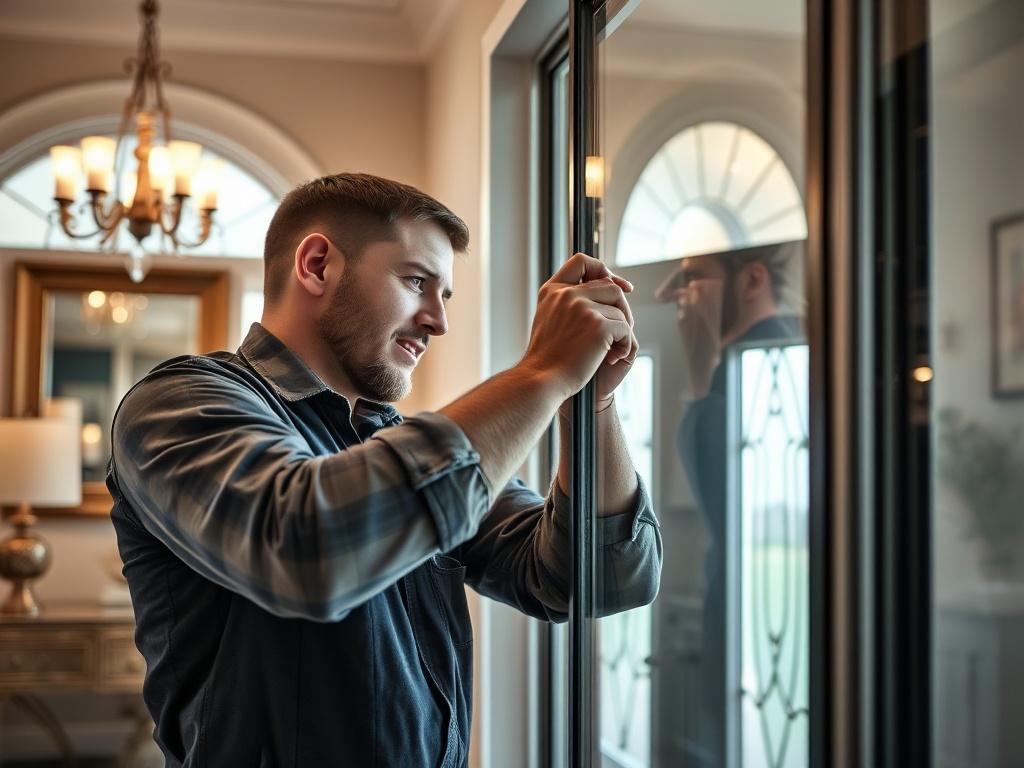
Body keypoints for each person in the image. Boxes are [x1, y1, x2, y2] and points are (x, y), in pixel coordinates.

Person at [107, 173, 662, 767]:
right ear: (317, 265)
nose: (437, 322)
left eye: (443, 295)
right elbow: (304, 545)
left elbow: (598, 579)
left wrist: (587, 404)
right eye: (416, 281)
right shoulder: (180, 402)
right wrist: (542, 373)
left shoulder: (403, 446)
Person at [656, 240, 803, 767]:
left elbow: (728, 498)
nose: (669, 293)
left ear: (752, 280)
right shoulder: (742, 363)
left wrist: (701, 374)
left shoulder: (777, 364)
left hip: (772, 623)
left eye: (692, 276)